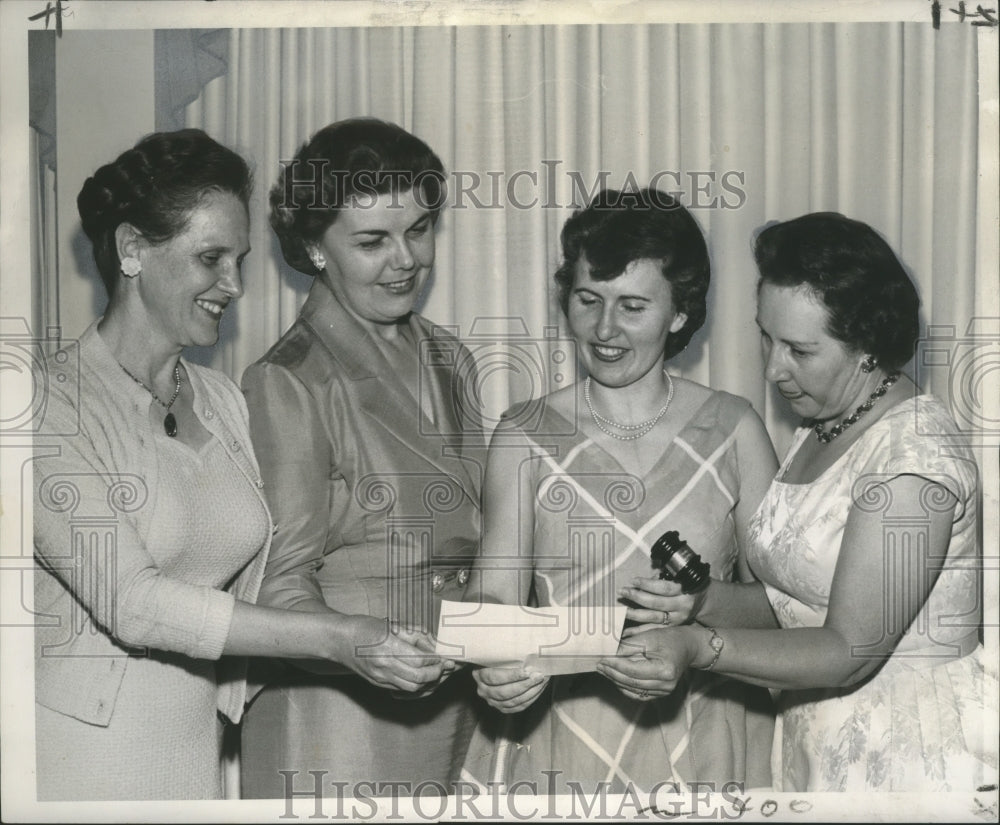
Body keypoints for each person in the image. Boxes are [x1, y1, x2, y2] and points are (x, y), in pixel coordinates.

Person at [31, 129, 415, 801]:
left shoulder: (220, 399)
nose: (234, 284)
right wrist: (340, 638)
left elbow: (273, 577)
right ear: (131, 250)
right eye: (211, 258)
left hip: (197, 759)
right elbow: (134, 603)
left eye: (238, 259)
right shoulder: (42, 406)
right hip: (81, 763)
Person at [598, 212, 998, 792]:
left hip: (909, 758)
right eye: (767, 337)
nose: (773, 368)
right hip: (821, 737)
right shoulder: (826, 424)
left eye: (800, 351)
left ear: (865, 348)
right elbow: (795, 601)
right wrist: (701, 603)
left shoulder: (915, 462)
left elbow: (847, 652)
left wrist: (697, 647)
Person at [462, 188, 778, 795]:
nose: (604, 329)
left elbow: (784, 608)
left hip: (706, 740)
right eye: (588, 300)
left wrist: (701, 609)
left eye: (633, 306)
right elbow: (492, 597)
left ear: (680, 313)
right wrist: (494, 661)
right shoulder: (523, 433)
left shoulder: (735, 428)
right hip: (562, 745)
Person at [239, 118, 482, 798]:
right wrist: (361, 643)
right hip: (334, 728)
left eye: (419, 228)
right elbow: (277, 585)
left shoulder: (450, 357)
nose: (405, 259)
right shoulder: (289, 378)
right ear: (316, 248)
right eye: (373, 241)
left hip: (450, 716)